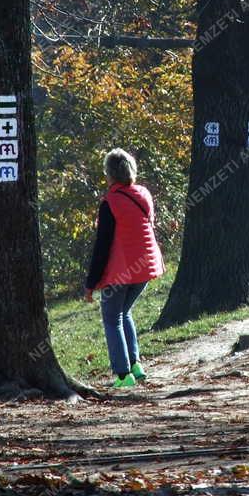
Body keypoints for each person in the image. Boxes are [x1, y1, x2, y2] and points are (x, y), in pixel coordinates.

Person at [85, 148, 165, 388]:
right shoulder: (144, 194)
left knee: (112, 319)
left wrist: (90, 284)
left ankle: (122, 376)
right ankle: (135, 365)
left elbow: (102, 247)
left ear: (109, 174)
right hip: (146, 267)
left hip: (121, 270)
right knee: (124, 312)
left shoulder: (110, 203)